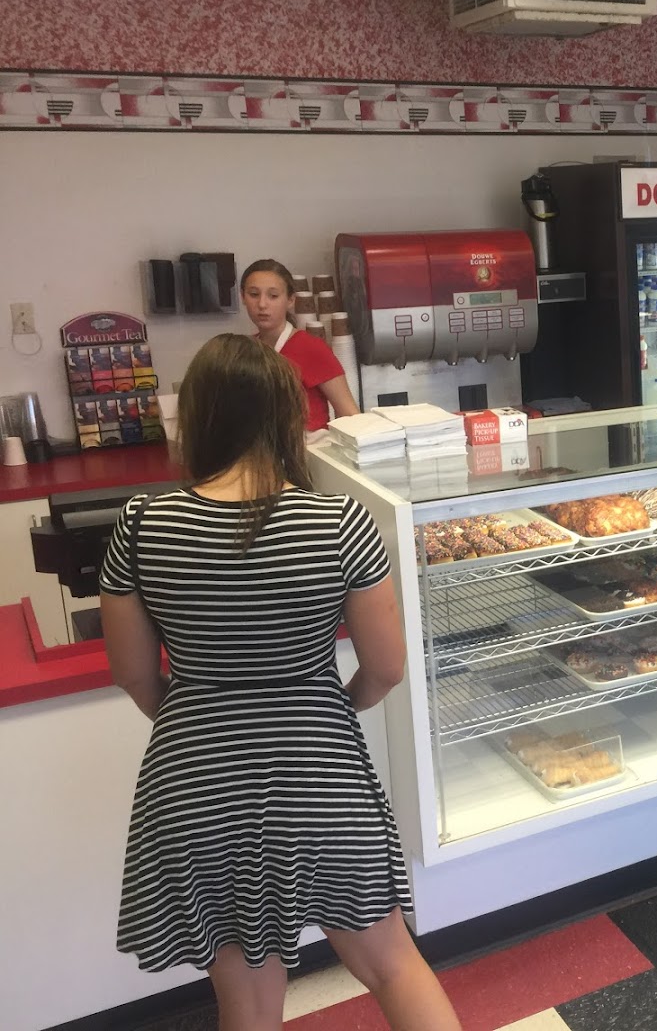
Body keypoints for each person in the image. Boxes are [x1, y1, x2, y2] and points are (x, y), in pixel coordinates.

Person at [99, 335, 460, 1030]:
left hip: (195, 782)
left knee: (246, 998)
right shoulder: (339, 521)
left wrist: (199, 715)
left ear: (197, 417)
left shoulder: (141, 525)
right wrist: (332, 707)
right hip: (319, 774)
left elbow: (135, 677)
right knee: (391, 964)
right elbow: (386, 666)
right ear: (287, 416)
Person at [242, 259, 360, 435]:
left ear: (291, 300)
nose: (262, 304)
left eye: (273, 296)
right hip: (263, 447)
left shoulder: (311, 348)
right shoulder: (245, 350)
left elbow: (350, 415)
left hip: (309, 448)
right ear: (242, 297)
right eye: (253, 294)